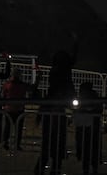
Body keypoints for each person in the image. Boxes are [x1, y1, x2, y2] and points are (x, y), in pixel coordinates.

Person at [34, 34, 78, 175]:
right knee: (58, 141)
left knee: (49, 142)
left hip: (51, 110)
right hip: (58, 111)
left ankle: (42, 167)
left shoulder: (56, 72)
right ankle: (54, 167)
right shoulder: (64, 74)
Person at [1, 67, 35, 151]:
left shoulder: (7, 84)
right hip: (19, 108)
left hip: (9, 108)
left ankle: (5, 142)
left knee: (8, 127)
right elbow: (32, 88)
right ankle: (16, 144)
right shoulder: (22, 85)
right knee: (18, 128)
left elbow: (3, 95)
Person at [74, 81, 102, 175]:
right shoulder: (89, 98)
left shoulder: (88, 98)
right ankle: (91, 168)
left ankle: (90, 168)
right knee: (90, 149)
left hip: (88, 127)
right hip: (88, 127)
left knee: (89, 148)